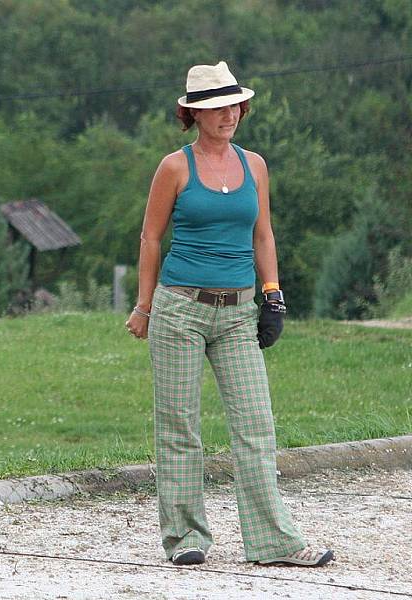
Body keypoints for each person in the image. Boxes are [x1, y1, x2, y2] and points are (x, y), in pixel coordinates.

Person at [125, 61, 333, 568]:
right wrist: (144, 306)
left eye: (234, 105)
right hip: (180, 310)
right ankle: (186, 539)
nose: (229, 115)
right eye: (216, 107)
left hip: (239, 312)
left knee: (256, 425)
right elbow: (151, 238)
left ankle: (274, 542)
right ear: (194, 114)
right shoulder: (175, 167)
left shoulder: (254, 165)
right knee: (180, 427)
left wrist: (273, 295)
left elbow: (263, 234)